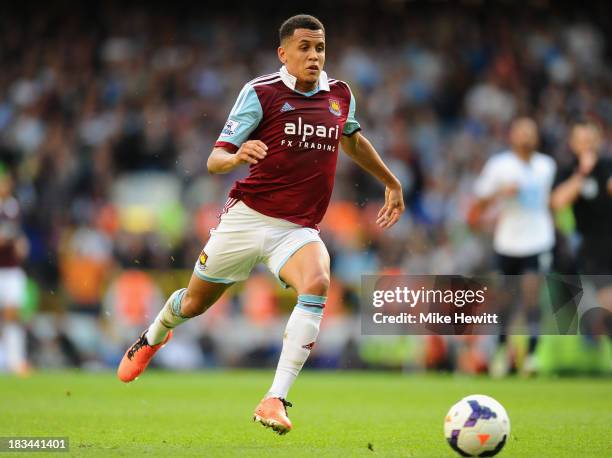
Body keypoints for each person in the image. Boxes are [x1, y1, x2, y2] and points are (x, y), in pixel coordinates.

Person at [117, 14, 404, 434]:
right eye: (304, 47)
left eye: (320, 48)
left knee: (319, 281)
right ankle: (154, 335)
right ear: (283, 53)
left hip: (297, 228)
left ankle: (275, 398)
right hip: (248, 218)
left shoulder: (339, 95)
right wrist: (236, 156)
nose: (313, 56)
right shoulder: (260, 92)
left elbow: (352, 139)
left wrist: (391, 182)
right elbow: (215, 160)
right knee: (194, 304)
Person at [471, 118, 556, 376]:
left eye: (531, 132)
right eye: (521, 132)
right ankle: (501, 350)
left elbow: (550, 201)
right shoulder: (499, 166)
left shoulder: (546, 166)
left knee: (531, 297)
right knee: (505, 302)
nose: (526, 137)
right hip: (507, 241)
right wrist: (500, 193)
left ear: (537, 137)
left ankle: (531, 355)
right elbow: (478, 205)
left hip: (538, 240)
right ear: (512, 136)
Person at [551, 120, 612, 336]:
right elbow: (557, 201)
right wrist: (582, 173)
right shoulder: (568, 171)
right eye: (581, 141)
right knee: (607, 301)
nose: (586, 145)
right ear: (573, 144)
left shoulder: (607, 166)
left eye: (590, 140)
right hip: (593, 249)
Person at [0, 165, 30, 375]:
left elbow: (14, 236)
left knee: (12, 316)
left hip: (11, 270)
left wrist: (20, 241)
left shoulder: (12, 207)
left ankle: (16, 361)